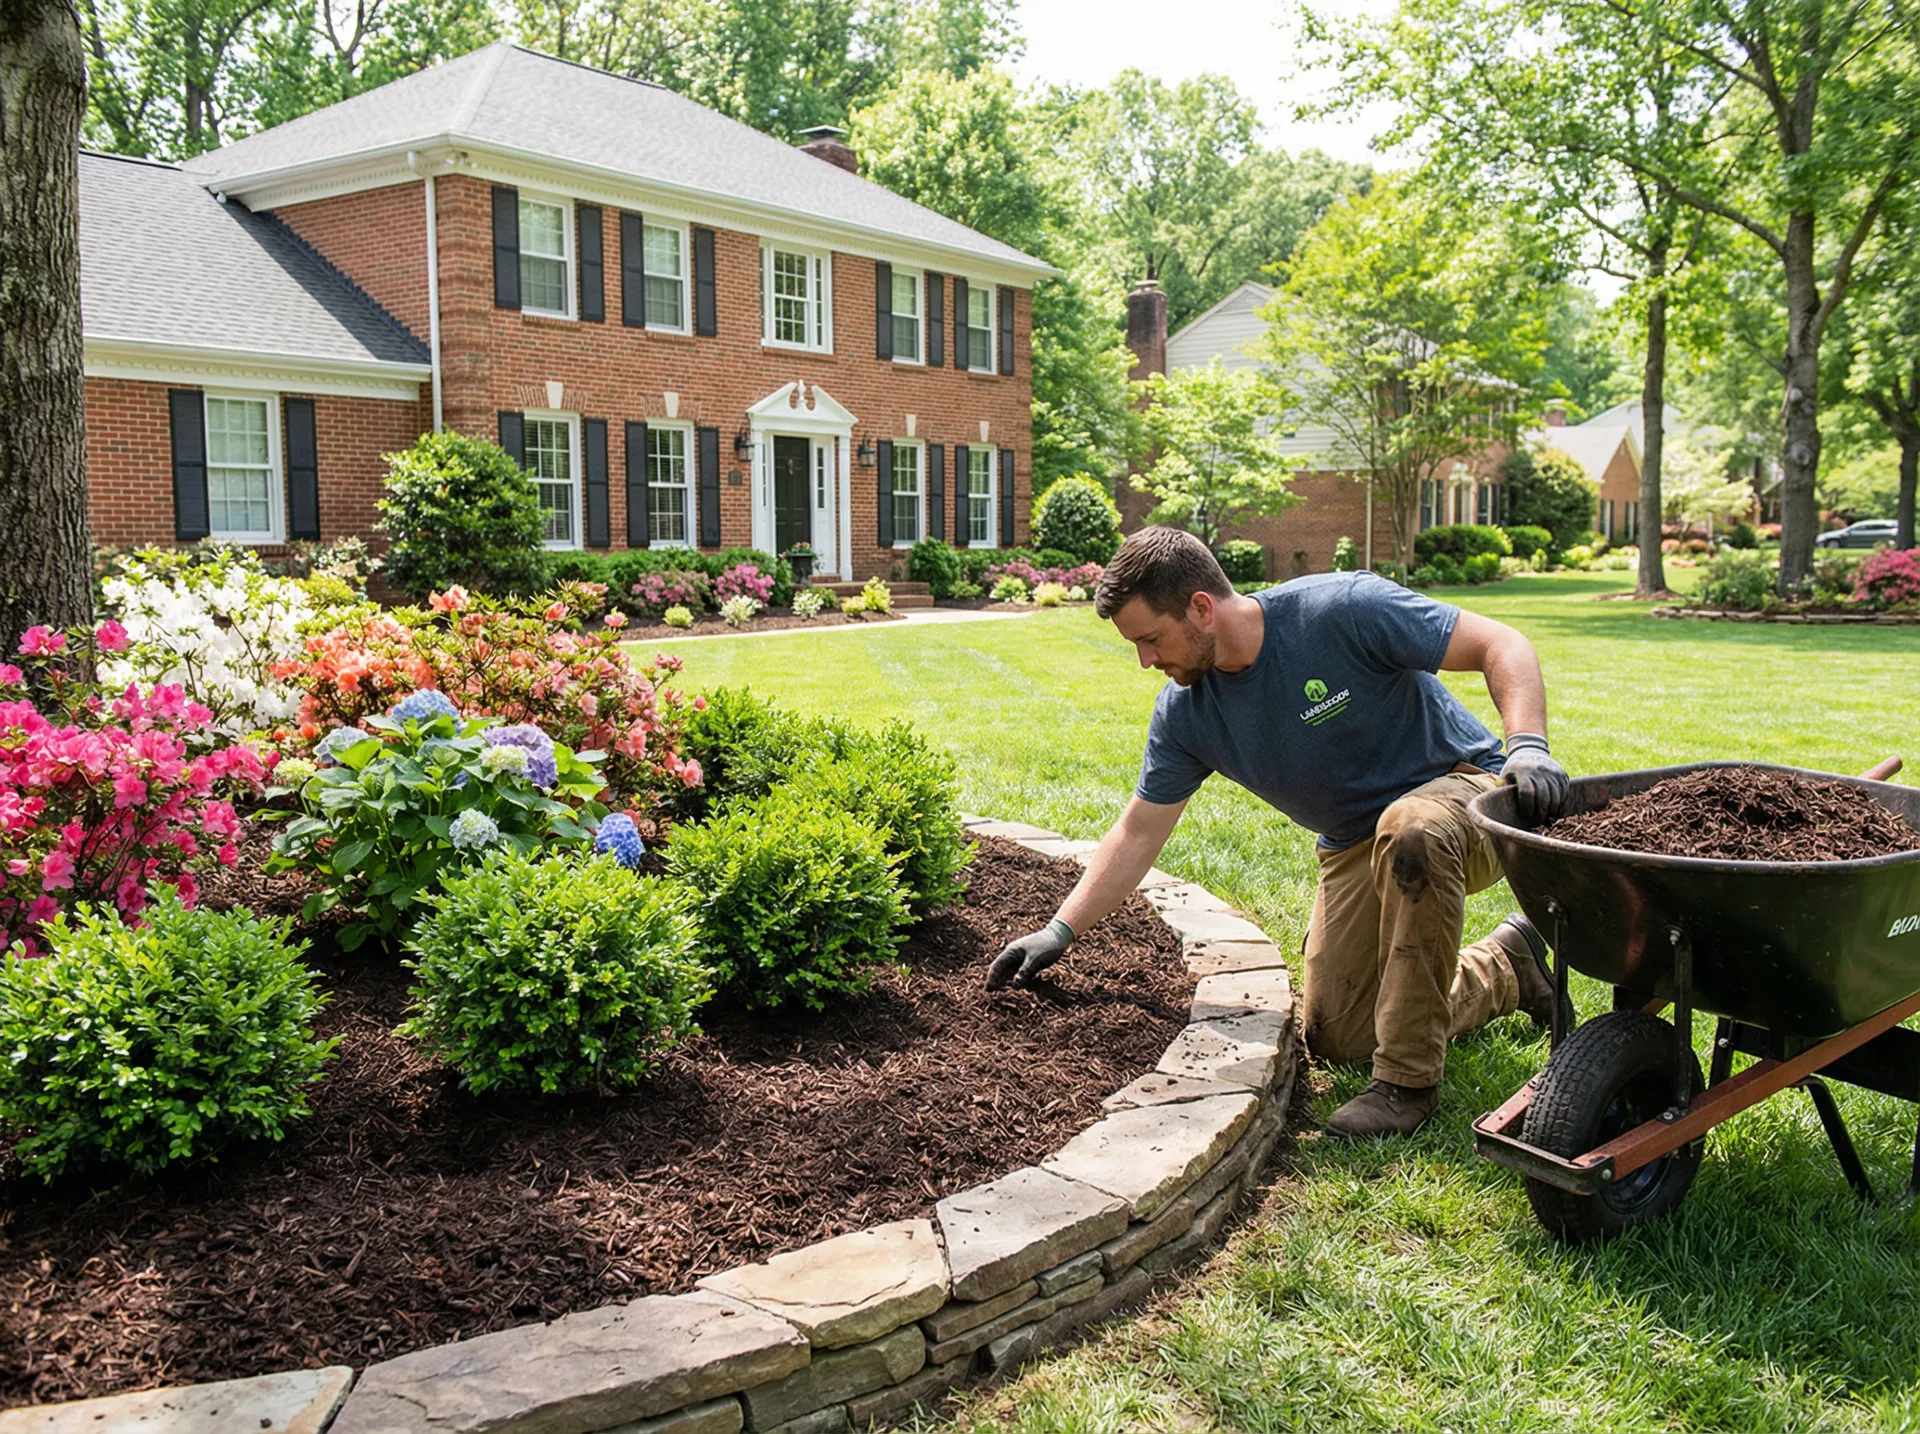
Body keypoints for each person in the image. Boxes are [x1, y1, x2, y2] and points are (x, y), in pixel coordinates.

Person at [986, 527, 1572, 1138]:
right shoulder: (1187, 712)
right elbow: (1139, 831)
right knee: (1340, 1035)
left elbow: (1501, 643)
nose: (1146, 661)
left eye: (1151, 639)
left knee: (1412, 827)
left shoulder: (1339, 609)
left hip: (1466, 797)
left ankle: (1406, 1084)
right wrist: (1060, 930)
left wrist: (1527, 747)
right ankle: (1510, 965)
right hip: (1354, 840)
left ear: (1201, 608)